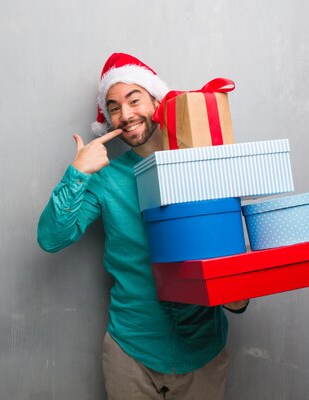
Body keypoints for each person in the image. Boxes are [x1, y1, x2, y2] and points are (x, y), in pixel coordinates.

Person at [37, 53, 249, 400]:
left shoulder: (201, 160)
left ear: (156, 100)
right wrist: (77, 173)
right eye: (114, 107)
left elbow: (225, 239)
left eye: (134, 100)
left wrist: (238, 292)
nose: (125, 114)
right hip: (131, 350)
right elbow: (50, 238)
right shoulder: (105, 179)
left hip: (203, 349)